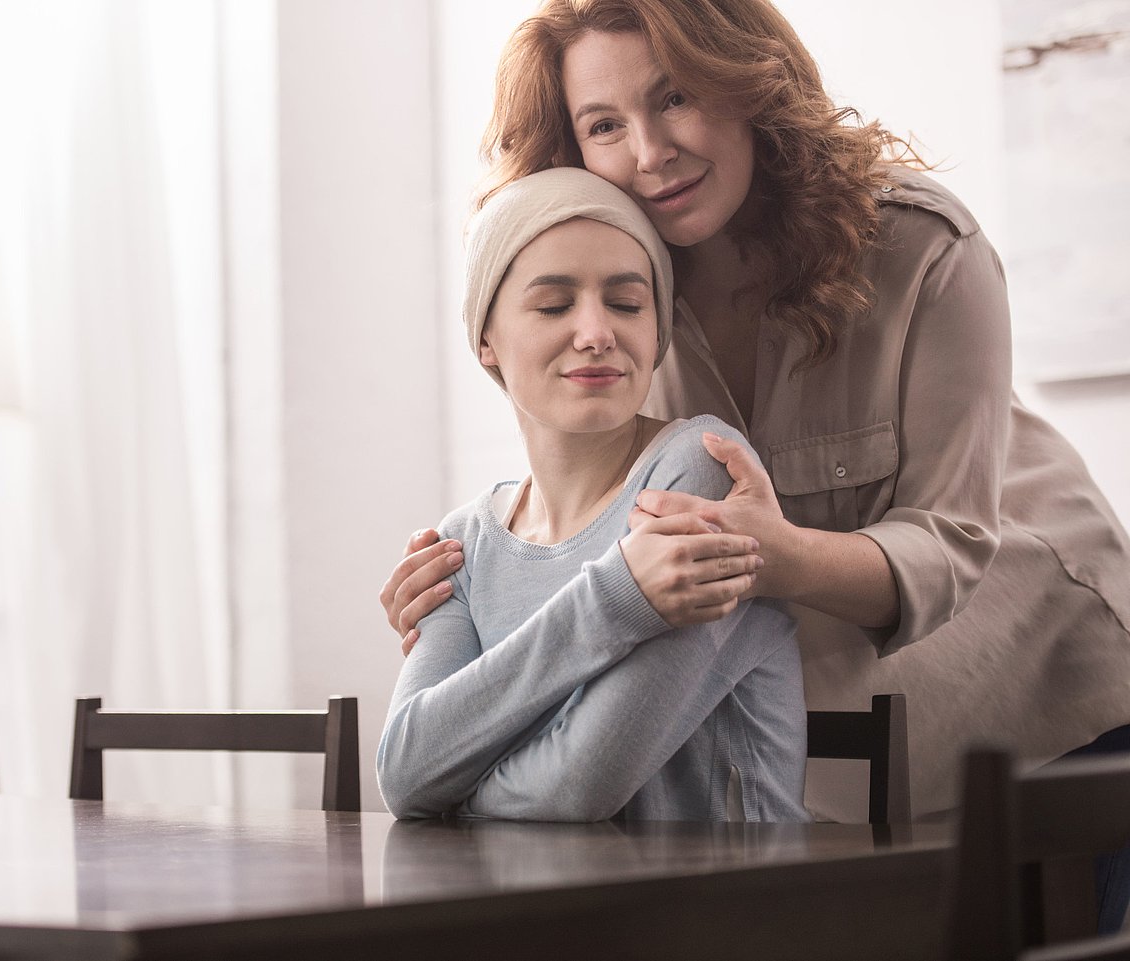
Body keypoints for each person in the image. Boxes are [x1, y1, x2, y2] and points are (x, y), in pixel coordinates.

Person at [378, 0, 1130, 929]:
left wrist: (772, 558)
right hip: (861, 719)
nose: (649, 153)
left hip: (1050, 665)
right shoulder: (628, 284)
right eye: (604, 126)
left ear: (750, 83)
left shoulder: (921, 246)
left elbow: (952, 542)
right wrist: (477, 580)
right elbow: (605, 509)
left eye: (678, 98)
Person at [377, 166, 808, 823]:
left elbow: (579, 785)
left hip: (728, 914)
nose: (596, 332)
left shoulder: (699, 475)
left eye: (627, 304)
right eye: (554, 305)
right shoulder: (462, 545)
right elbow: (406, 774)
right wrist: (618, 597)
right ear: (486, 339)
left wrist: (457, 788)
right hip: (544, 914)